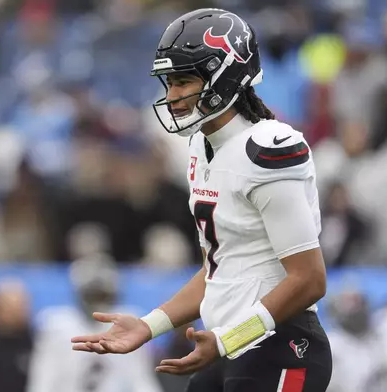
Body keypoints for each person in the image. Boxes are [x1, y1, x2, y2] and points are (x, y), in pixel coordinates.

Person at [71, 8, 332, 392]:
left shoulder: (268, 148)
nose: (172, 97)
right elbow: (219, 270)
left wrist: (230, 340)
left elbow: (309, 280)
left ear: (225, 75)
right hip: (229, 344)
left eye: (183, 82)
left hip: (283, 346)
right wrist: (149, 325)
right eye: (169, 84)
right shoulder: (201, 146)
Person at [28, 255, 163, 392]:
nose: (98, 302)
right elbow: (44, 378)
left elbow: (141, 379)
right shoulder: (56, 325)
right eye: (94, 294)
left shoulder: (127, 323)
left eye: (102, 295)